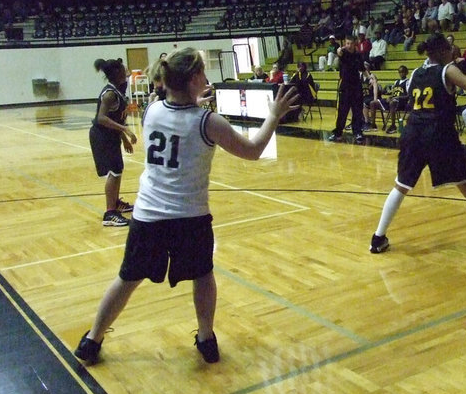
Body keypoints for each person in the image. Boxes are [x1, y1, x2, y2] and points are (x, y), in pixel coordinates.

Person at [74, 48, 300, 365]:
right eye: (203, 73)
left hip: (148, 215)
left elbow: (178, 116)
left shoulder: (152, 111)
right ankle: (206, 337)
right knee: (203, 275)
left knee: (127, 279)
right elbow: (252, 151)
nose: (206, 77)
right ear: (194, 78)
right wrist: (274, 116)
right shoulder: (209, 122)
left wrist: (194, 101)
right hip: (189, 217)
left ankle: (92, 339)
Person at [369, 33, 466, 264]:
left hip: (413, 133)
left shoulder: (416, 73)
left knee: (401, 185)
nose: (453, 52)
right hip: (439, 134)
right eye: (450, 48)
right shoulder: (447, 70)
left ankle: (378, 238)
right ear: (442, 51)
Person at [89, 58, 138, 227]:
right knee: (113, 171)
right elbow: (101, 118)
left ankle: (115, 203)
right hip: (101, 136)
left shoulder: (117, 90)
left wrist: (124, 139)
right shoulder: (110, 94)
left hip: (111, 135)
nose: (126, 71)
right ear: (117, 73)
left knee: (118, 169)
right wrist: (125, 130)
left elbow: (115, 118)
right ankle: (110, 213)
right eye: (124, 69)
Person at [328, 35, 365, 143]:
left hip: (356, 86)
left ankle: (357, 132)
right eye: (347, 43)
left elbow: (362, 69)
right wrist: (338, 51)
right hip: (345, 86)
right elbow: (339, 53)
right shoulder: (343, 52)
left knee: (357, 111)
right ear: (345, 43)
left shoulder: (358, 55)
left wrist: (370, 77)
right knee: (342, 111)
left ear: (354, 44)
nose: (349, 45)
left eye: (351, 43)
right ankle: (338, 133)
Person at [383, 65, 410, 133]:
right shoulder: (396, 82)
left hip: (402, 102)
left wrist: (398, 97)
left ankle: (393, 125)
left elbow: (408, 96)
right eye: (400, 72)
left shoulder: (408, 82)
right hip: (394, 100)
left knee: (392, 102)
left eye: (402, 72)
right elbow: (393, 94)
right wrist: (390, 97)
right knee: (378, 102)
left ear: (406, 72)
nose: (401, 73)